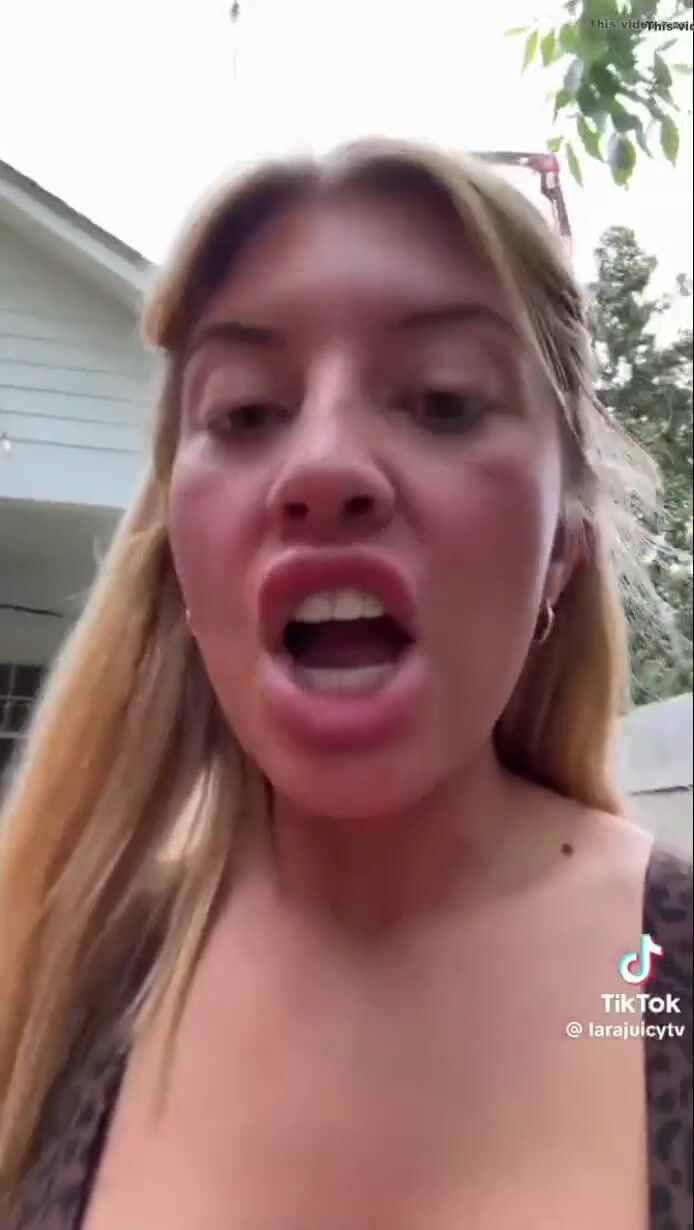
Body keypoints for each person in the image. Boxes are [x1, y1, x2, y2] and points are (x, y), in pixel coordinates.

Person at [0, 138, 691, 1230]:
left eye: (444, 399)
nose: (322, 468)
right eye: (245, 412)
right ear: (180, 554)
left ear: (561, 548)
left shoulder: (661, 982)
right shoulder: (52, 978)